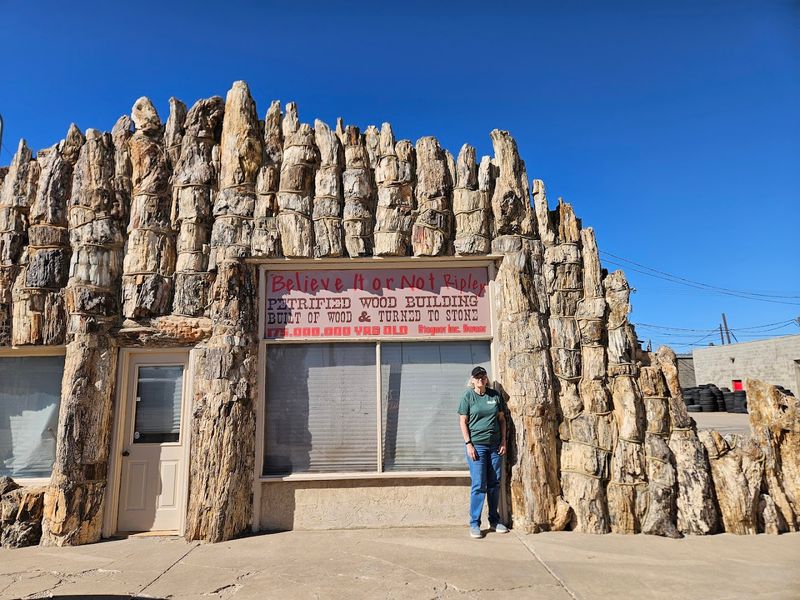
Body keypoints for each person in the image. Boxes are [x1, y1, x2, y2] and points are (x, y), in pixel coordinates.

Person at [457, 365, 508, 539]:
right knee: (479, 485)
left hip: (494, 446)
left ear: (487, 379)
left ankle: (494, 520)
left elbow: (502, 419)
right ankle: (474, 524)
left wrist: (503, 441)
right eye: (477, 377)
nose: (480, 380)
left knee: (494, 483)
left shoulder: (494, 396)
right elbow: (463, 421)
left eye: (483, 377)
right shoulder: (468, 396)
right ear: (472, 380)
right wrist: (468, 444)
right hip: (477, 446)